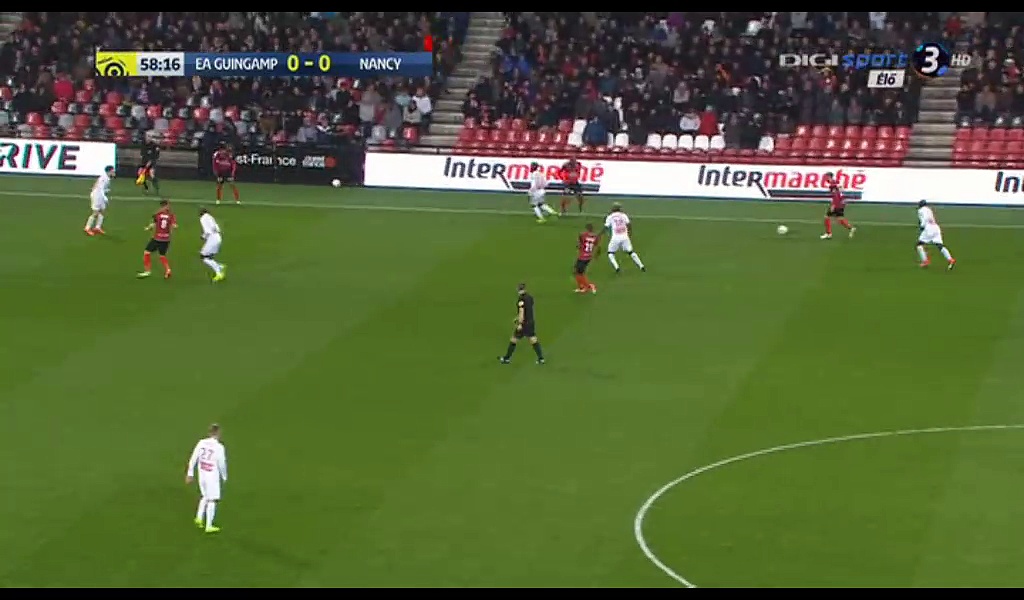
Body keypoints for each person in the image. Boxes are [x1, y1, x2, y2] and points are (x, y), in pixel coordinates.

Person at [185, 423, 228, 534]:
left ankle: (199, 518)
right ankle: (209, 526)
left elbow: (193, 458)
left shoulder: (201, 443)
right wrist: (224, 476)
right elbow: (221, 463)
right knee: (212, 499)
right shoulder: (219, 447)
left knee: (205, 496)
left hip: (202, 474)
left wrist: (190, 473)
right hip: (212, 476)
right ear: (218, 433)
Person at [498, 282, 545, 364]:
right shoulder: (530, 297)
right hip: (531, 322)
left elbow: (522, 312)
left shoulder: (521, 300)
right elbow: (528, 310)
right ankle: (541, 359)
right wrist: (518, 318)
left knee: (513, 340)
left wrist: (519, 323)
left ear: (518, 290)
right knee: (533, 339)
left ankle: (506, 358)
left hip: (524, 324)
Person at [137, 199, 177, 279]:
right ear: (166, 206)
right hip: (166, 239)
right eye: (168, 205)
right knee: (162, 255)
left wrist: (148, 228)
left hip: (157, 238)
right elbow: (174, 225)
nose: (169, 207)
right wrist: (173, 226)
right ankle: (168, 270)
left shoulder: (157, 214)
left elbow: (153, 223)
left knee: (147, 252)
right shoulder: (171, 215)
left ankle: (147, 271)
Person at [603, 203, 647, 273]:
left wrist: (601, 234)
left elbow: (606, 227)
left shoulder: (610, 216)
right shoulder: (623, 215)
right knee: (631, 252)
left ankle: (617, 267)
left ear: (613, 209)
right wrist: (630, 233)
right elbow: (629, 224)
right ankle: (641, 266)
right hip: (625, 237)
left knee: (610, 253)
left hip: (615, 238)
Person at [916, 200, 956, 269]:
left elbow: (925, 218)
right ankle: (950, 259)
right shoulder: (929, 210)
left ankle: (925, 261)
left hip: (929, 228)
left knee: (919, 245)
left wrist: (922, 226)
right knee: (940, 245)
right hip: (936, 227)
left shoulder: (921, 210)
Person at [821, 172, 856, 240]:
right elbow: (840, 191)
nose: (825, 178)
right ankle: (851, 228)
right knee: (840, 219)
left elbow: (836, 195)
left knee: (827, 217)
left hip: (837, 203)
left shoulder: (832, 185)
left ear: (829, 177)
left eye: (826, 177)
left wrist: (833, 205)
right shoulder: (835, 183)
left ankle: (828, 234)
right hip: (841, 203)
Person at [85, 165, 115, 236]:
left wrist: (106, 190)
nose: (114, 173)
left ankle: (97, 227)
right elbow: (100, 188)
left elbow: (100, 187)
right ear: (109, 171)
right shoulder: (104, 178)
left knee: (102, 211)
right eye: (113, 171)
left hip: (100, 196)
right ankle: (87, 228)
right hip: (97, 196)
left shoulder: (106, 178)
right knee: (95, 213)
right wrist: (104, 197)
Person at [199, 207, 227, 282]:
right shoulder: (211, 217)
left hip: (212, 239)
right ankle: (220, 267)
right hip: (218, 237)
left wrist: (203, 236)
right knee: (209, 256)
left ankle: (219, 273)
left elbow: (207, 231)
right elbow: (218, 228)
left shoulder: (203, 218)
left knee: (204, 257)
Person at [575, 223, 600, 293]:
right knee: (577, 271)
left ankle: (588, 286)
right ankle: (581, 287)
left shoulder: (583, 235)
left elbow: (579, 242)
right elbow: (597, 246)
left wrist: (579, 245)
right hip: (588, 256)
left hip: (583, 256)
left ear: (587, 228)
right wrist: (597, 256)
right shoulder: (595, 236)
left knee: (579, 272)